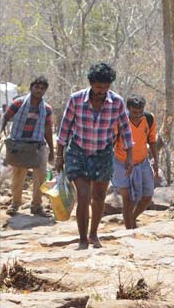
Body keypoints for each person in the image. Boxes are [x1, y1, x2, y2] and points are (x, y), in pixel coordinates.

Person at [54, 63, 134, 250]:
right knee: (83, 194)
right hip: (78, 152)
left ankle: (93, 235)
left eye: (106, 87)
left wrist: (129, 156)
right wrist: (59, 156)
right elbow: (64, 128)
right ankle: (82, 240)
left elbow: (125, 129)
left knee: (98, 197)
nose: (102, 91)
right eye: (98, 87)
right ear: (91, 84)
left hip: (103, 153)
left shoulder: (117, 102)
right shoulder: (75, 100)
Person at [0, 76, 55, 216]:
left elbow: (48, 129)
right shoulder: (18, 103)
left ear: (45, 91)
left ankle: (36, 206)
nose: (39, 90)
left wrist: (52, 151)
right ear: (31, 88)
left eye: (42, 88)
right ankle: (15, 204)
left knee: (41, 175)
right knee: (18, 175)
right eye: (37, 87)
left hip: (38, 145)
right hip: (19, 144)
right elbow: (6, 117)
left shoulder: (47, 109)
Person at [111, 95, 160, 229]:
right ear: (128, 109)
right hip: (122, 163)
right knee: (128, 200)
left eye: (140, 112)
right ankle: (129, 230)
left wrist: (156, 160)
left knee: (147, 197)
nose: (137, 115)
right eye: (134, 112)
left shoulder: (149, 119)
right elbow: (112, 140)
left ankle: (131, 219)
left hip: (142, 162)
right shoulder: (120, 121)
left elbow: (152, 140)